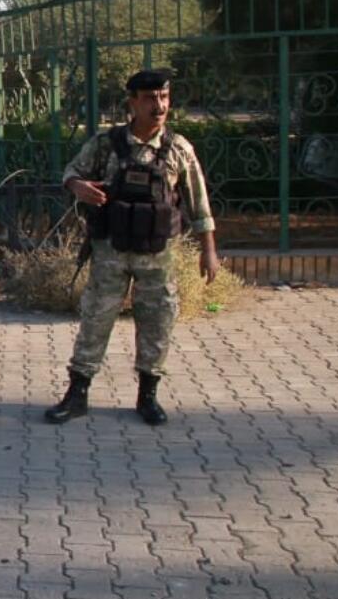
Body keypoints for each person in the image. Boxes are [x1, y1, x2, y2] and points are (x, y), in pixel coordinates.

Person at [45, 68, 219, 426]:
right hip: (111, 251)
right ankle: (77, 394)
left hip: (158, 256)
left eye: (164, 98)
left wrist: (209, 250)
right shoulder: (107, 144)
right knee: (96, 318)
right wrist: (79, 187)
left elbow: (199, 205)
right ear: (133, 103)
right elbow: (70, 173)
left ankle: (148, 395)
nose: (159, 106)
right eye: (150, 98)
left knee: (158, 321)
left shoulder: (178, 149)